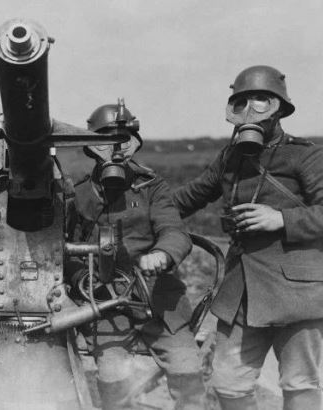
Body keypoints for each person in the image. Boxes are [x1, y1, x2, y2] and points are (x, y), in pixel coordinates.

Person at [173, 65, 323, 410]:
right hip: (242, 292)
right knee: (228, 383)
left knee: (300, 383)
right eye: (241, 102)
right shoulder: (230, 158)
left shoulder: (306, 155)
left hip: (297, 292)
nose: (250, 110)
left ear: (279, 109)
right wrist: (139, 210)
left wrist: (280, 219)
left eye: (261, 100)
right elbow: (189, 197)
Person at [66, 103, 207, 410]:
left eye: (124, 139)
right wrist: (82, 280)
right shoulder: (79, 195)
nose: (116, 149)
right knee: (114, 375)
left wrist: (162, 254)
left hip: (157, 299)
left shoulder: (151, 187)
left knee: (187, 367)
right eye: (107, 141)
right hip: (103, 302)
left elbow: (174, 230)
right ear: (91, 147)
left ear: (134, 143)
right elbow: (66, 251)